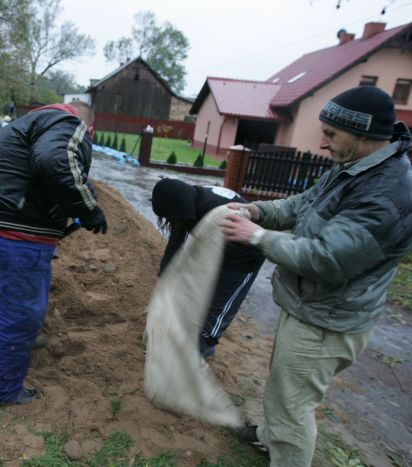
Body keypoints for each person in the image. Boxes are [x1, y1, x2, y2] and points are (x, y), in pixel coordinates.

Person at [220, 86, 412, 466]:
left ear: (364, 134)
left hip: (329, 321)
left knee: (292, 404)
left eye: (331, 134)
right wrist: (257, 211)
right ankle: (270, 437)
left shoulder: (386, 194)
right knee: (283, 386)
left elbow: (329, 258)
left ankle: (285, 448)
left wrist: (258, 237)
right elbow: (304, 204)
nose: (322, 143)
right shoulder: (354, 168)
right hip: (312, 307)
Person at [0, 102, 107, 406]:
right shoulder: (71, 123)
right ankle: (4, 392)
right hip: (12, 236)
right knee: (18, 315)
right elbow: (55, 161)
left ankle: (20, 341)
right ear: (89, 129)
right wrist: (89, 208)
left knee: (14, 309)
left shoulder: (23, 125)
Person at [151, 179, 265, 358]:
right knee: (200, 294)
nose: (170, 221)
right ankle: (189, 335)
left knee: (220, 303)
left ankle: (205, 346)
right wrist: (163, 277)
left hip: (246, 254)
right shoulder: (187, 199)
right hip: (221, 246)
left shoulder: (208, 211)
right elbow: (176, 240)